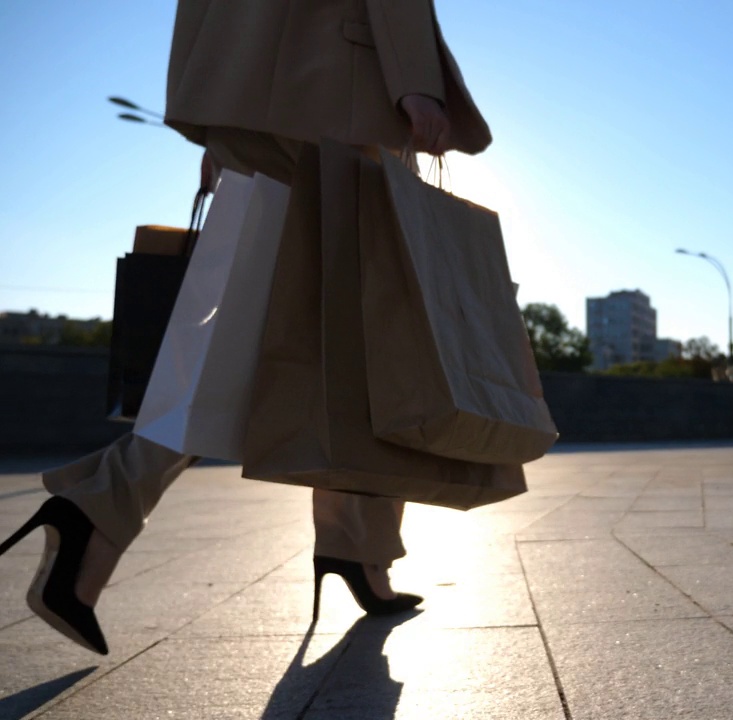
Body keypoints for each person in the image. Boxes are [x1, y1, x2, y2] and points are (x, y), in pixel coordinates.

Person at [0, 0, 490, 655]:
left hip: (251, 93)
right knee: (367, 343)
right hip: (338, 94)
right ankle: (104, 505)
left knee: (288, 339)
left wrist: (213, 119)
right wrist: (415, 81)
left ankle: (355, 547)